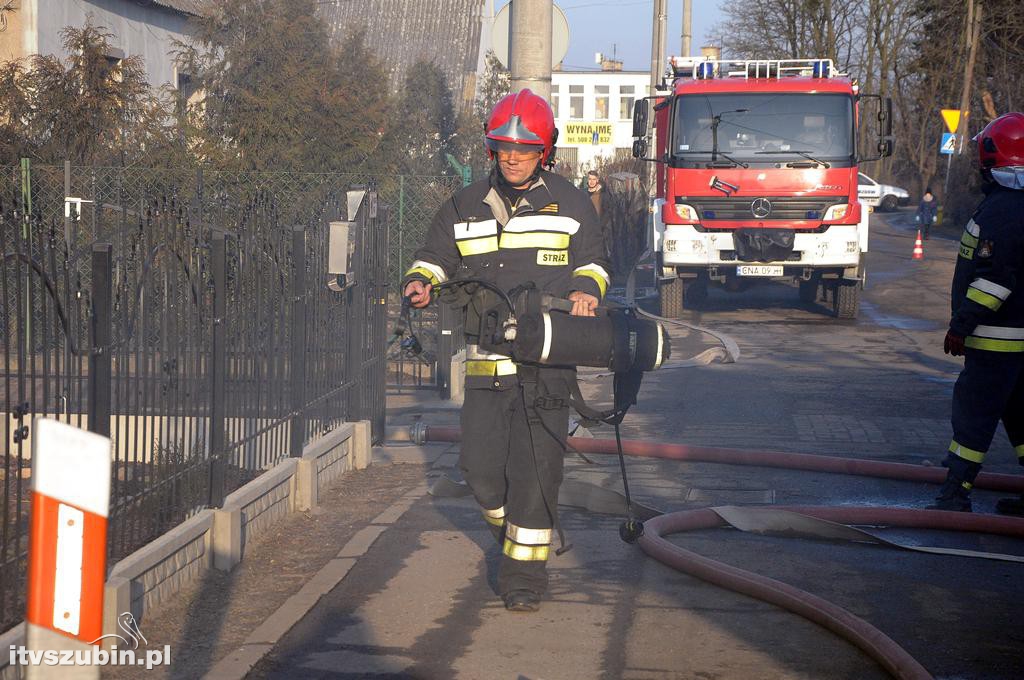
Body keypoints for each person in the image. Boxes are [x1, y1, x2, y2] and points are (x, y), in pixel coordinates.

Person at [402, 89, 610, 610]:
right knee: (478, 469)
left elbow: (594, 263)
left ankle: (523, 581)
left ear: (545, 151)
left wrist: (586, 290)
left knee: (536, 472)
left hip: (547, 365)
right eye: (504, 148)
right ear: (491, 148)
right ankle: (512, 533)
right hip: (487, 362)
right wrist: (421, 280)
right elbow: (435, 255)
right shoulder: (464, 205)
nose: (513, 157)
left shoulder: (571, 204)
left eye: (525, 149)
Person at [928, 111, 1024, 514]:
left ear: (991, 156)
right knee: (1019, 414)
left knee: (974, 414)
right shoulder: (1012, 206)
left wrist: (960, 325)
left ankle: (956, 493)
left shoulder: (1004, 211)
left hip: (997, 340)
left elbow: (994, 280)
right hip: (1016, 341)